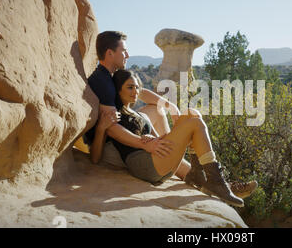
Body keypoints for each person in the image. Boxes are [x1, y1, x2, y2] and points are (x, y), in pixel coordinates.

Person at [84, 31, 256, 206]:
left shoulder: (112, 75)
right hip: (112, 146)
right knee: (192, 123)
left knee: (183, 113)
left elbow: (140, 92)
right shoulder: (103, 82)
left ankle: (202, 175)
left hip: (129, 137)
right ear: (110, 53)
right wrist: (144, 143)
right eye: (124, 51)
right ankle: (215, 181)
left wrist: (170, 106)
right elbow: (112, 126)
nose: (128, 54)